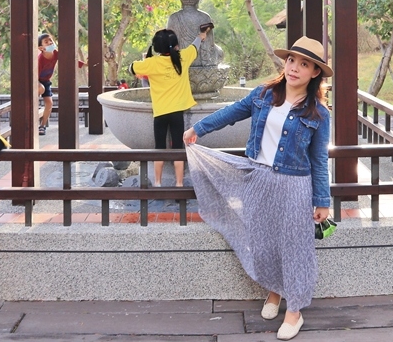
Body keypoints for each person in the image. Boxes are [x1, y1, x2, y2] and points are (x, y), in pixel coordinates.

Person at [182, 36, 332, 341]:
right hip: (258, 179)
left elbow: (318, 160)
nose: (294, 68)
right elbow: (231, 112)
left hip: (294, 184)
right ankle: (274, 292)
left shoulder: (318, 113)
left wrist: (322, 200)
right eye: (291, 60)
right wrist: (199, 128)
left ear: (315, 73)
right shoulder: (264, 94)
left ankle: (295, 311)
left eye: (304, 64)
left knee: (295, 247)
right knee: (263, 241)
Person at [129, 25, 211, 188]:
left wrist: (146, 59)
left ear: (156, 47)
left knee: (159, 148)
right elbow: (195, 46)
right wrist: (202, 34)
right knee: (178, 148)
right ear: (175, 46)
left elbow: (132, 68)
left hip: (160, 113)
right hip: (177, 113)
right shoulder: (182, 58)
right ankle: (179, 184)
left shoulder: (151, 63)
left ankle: (158, 184)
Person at [37, 33, 86, 136]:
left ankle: (42, 126)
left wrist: (85, 64)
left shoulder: (55, 53)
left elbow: (70, 60)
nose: (50, 43)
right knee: (40, 89)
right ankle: (33, 113)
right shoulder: (40, 59)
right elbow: (34, 76)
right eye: (46, 42)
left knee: (49, 103)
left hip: (46, 81)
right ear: (41, 48)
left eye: (50, 40)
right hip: (36, 81)